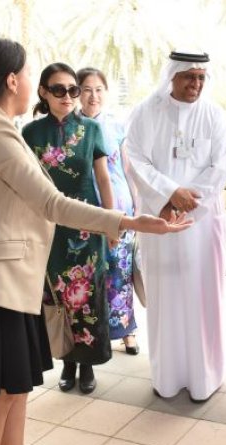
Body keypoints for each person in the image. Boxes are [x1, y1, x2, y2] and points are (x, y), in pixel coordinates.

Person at [0, 37, 189, 445]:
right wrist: (126, 221)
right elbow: (51, 203)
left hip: (5, 281)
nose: (35, 84)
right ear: (12, 81)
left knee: (15, 390)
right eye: (30, 76)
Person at [125, 50, 226, 403]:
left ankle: (206, 377)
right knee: (165, 297)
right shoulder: (145, 112)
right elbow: (135, 158)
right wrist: (169, 195)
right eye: (189, 76)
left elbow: (220, 166)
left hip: (202, 224)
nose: (196, 84)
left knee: (203, 298)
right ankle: (167, 377)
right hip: (161, 222)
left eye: (201, 77)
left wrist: (190, 199)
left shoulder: (215, 115)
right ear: (172, 75)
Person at [22, 63, 113, 395]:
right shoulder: (30, 134)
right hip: (48, 227)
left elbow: (103, 178)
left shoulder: (91, 129)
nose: (67, 96)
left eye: (73, 89)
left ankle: (86, 364)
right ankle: (66, 361)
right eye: (58, 89)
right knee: (56, 293)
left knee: (86, 295)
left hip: (87, 227)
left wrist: (112, 221)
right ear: (43, 92)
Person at [77, 66, 140, 355]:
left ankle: (127, 330)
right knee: (89, 274)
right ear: (78, 92)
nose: (93, 96)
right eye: (87, 89)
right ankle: (95, 333)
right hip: (85, 209)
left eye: (99, 89)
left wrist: (137, 203)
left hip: (121, 207)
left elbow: (127, 167)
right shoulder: (72, 127)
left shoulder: (116, 125)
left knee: (120, 270)